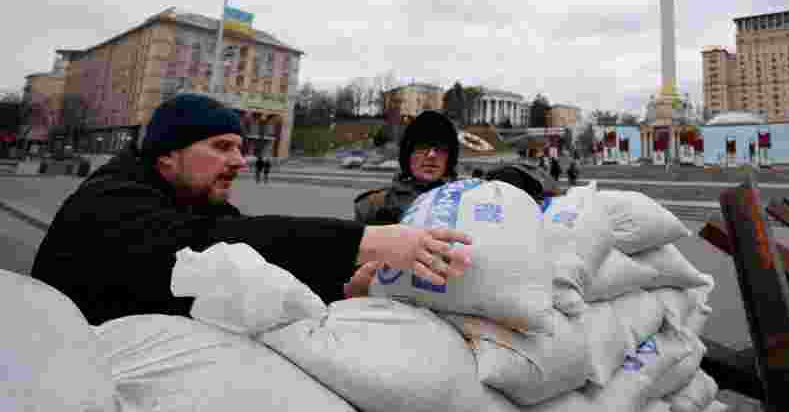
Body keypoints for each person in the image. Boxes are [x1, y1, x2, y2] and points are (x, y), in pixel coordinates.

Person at [31, 94, 472, 326]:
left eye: (241, 149)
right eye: (222, 147)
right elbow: (213, 247)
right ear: (166, 155)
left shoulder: (193, 201)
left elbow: (257, 256)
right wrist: (368, 240)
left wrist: (342, 290)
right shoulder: (105, 204)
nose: (240, 162)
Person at [354, 110, 461, 225]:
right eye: (422, 147)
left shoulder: (468, 203)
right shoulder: (374, 206)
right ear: (407, 155)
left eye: (440, 148)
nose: (431, 155)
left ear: (449, 159)